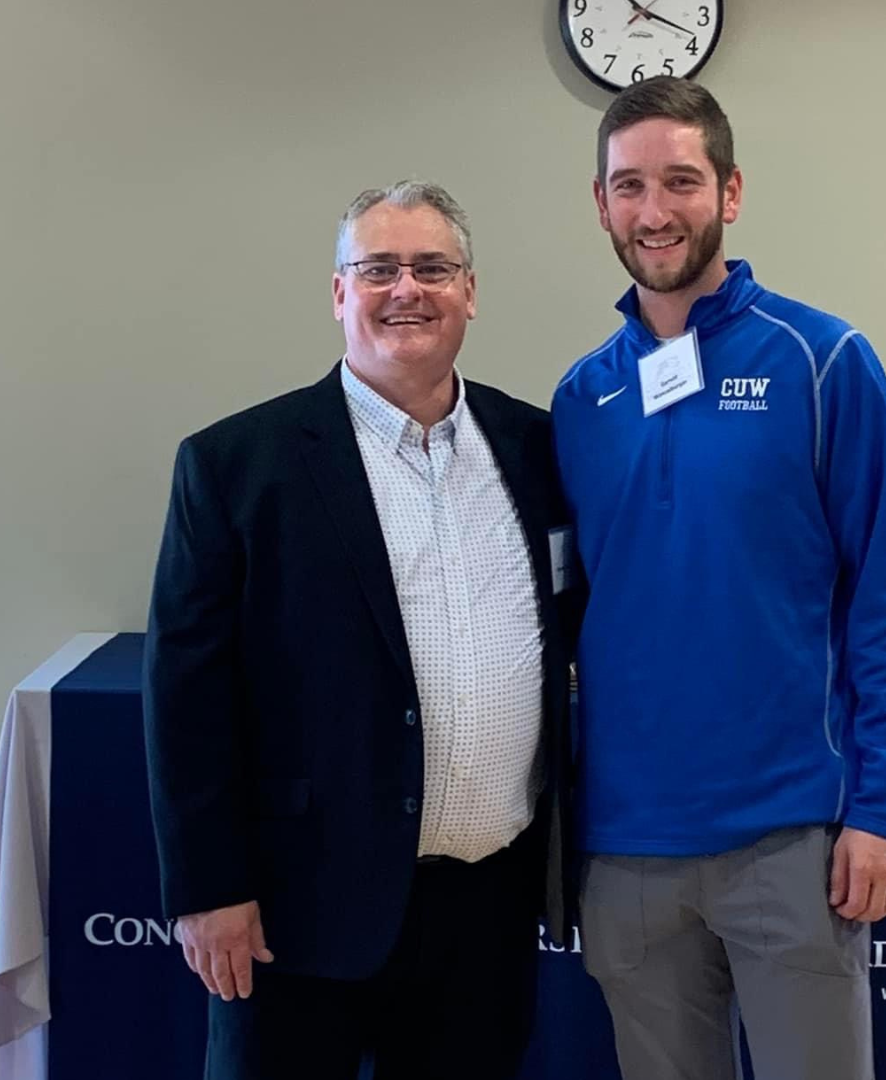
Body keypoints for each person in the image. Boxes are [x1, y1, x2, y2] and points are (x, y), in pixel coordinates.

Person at [142, 180, 577, 1080]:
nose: (406, 289)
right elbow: (187, 698)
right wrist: (210, 888)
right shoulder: (235, 466)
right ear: (339, 293)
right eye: (378, 268)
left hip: (485, 906)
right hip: (298, 910)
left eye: (432, 268)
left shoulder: (539, 447)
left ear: (470, 291)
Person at [551, 76, 886, 1080]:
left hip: (791, 840)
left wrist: (884, 811)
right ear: (600, 204)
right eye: (628, 185)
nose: (654, 209)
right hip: (626, 848)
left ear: (729, 193)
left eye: (680, 181)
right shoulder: (582, 398)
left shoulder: (825, 361)